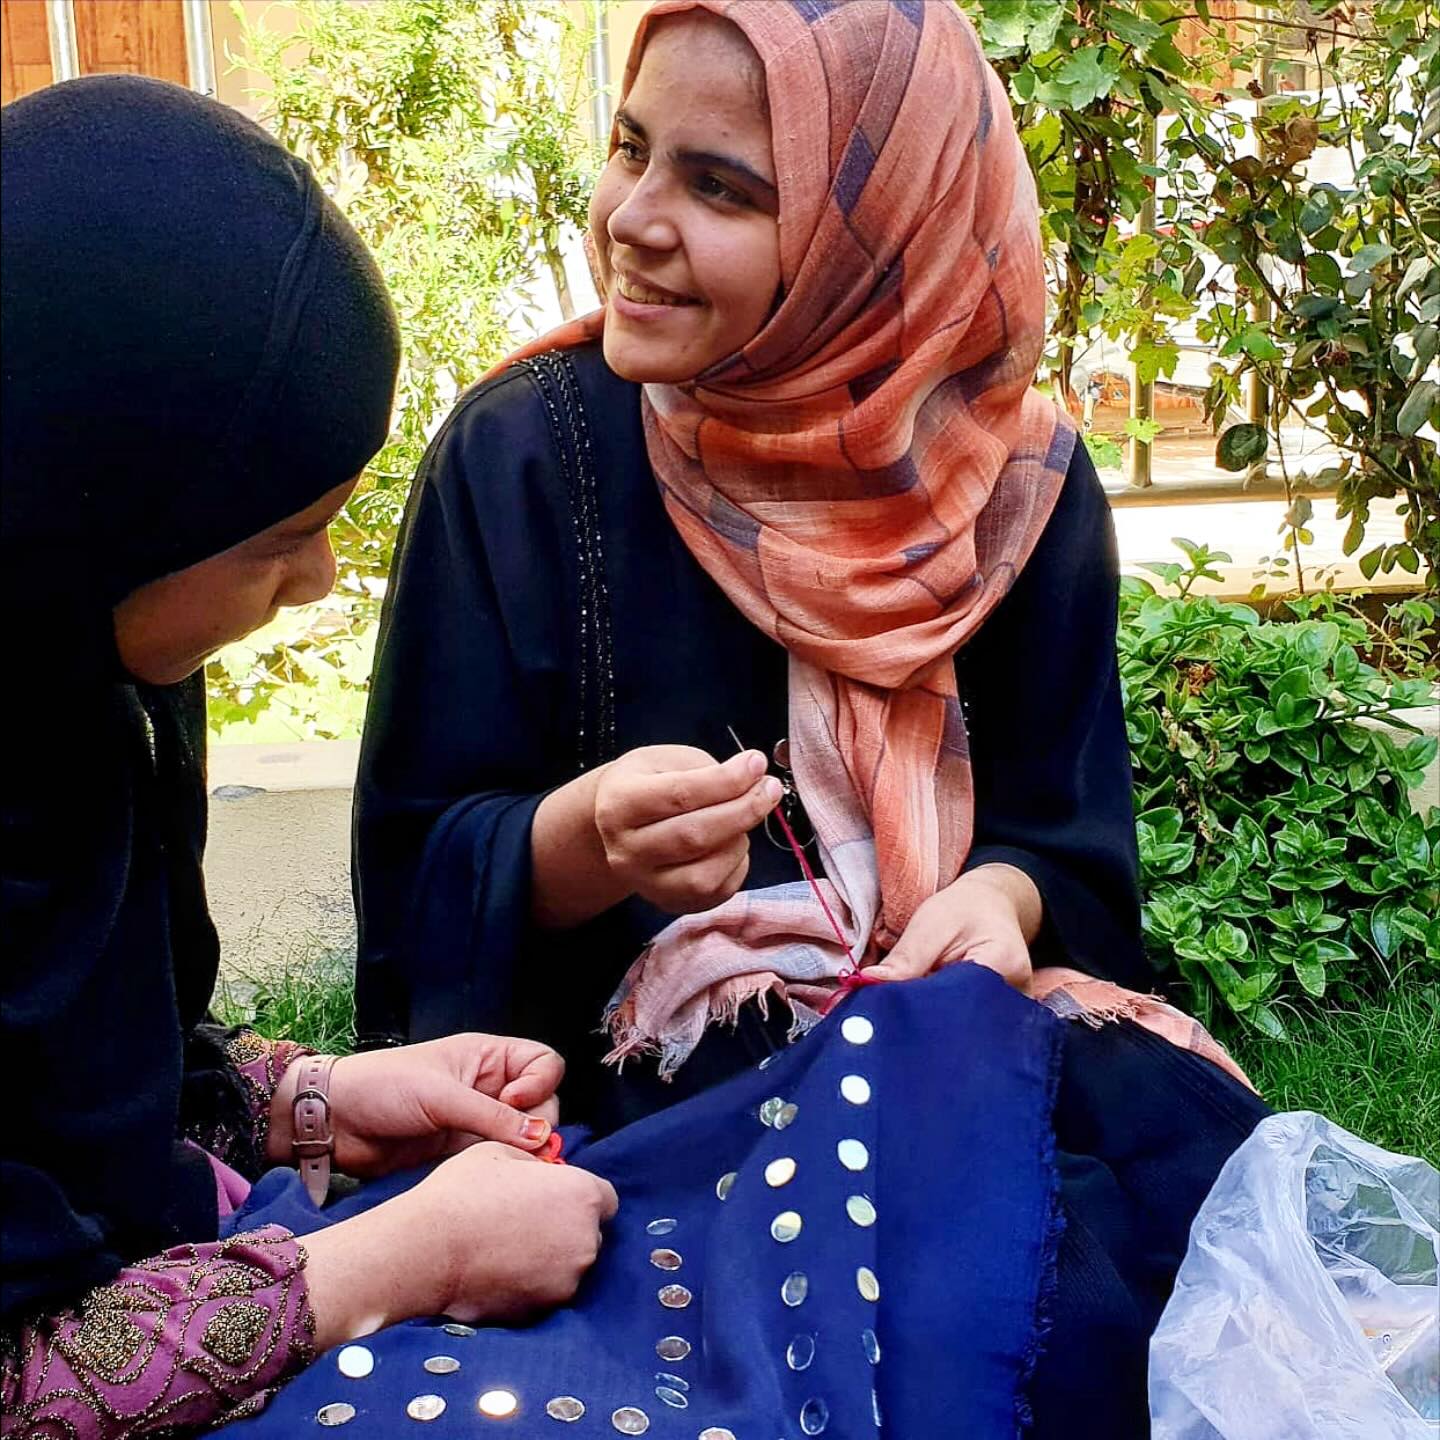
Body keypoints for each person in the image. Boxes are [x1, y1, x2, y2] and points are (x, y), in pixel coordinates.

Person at [350, 1, 1268, 1433]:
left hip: (965, 1061)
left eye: (721, 186)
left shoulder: (1013, 486)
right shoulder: (524, 460)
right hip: (627, 1120)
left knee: (1078, 1317)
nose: (635, 220)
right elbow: (417, 881)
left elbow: (1070, 840)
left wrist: (1003, 905)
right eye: (631, 149)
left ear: (876, 236)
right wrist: (585, 843)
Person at [0, 76, 616, 1438]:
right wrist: (408, 1260)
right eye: (276, 544)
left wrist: (312, 1102)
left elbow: (63, 1101)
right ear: (101, 511)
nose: (321, 581)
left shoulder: (65, 689)